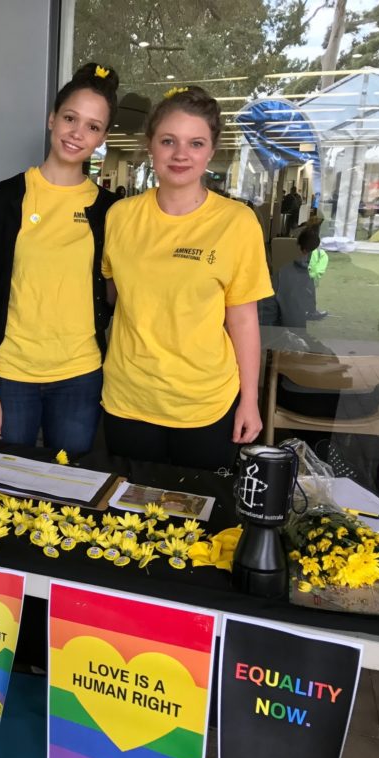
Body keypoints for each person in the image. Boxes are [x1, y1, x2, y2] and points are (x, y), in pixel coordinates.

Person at [101, 86, 272, 470]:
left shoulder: (237, 223)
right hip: (129, 399)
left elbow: (243, 318)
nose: (181, 154)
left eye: (196, 143)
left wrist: (249, 400)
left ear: (211, 151)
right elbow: (115, 295)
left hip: (206, 404)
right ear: (150, 146)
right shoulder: (121, 217)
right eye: (168, 141)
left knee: (202, 521)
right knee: (126, 519)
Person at [0, 61, 120, 455]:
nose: (77, 133)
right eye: (70, 118)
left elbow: (117, 294)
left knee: (69, 494)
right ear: (52, 119)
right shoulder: (4, 198)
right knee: (4, 492)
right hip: (11, 375)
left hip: (81, 375)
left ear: (102, 137)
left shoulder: (110, 210)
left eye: (92, 126)